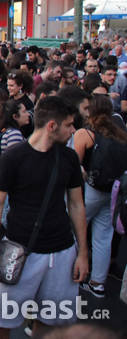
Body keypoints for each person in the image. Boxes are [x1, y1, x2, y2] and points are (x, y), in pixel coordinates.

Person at [0, 96, 88, 338]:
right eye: (69, 125)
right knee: (1, 322)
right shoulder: (13, 157)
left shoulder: (69, 158)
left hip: (61, 252)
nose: (73, 130)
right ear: (52, 126)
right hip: (19, 250)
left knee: (51, 321)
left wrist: (82, 253)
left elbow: (76, 205)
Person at [72, 94, 127, 299]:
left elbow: (73, 164)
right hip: (114, 190)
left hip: (91, 189)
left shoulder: (86, 133)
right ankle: (97, 283)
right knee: (104, 236)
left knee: (75, 229)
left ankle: (70, 272)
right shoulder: (120, 127)